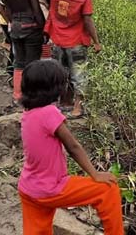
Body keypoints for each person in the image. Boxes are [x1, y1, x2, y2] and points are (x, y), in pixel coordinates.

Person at [18, 60, 124, 234]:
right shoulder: (49, 113)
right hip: (51, 188)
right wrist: (94, 174)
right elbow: (73, 146)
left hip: (28, 189)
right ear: (55, 88)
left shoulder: (28, 114)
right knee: (108, 189)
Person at [43, 0, 102, 119]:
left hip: (56, 41)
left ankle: (59, 103)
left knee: (59, 73)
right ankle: (77, 108)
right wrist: (96, 42)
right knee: (79, 74)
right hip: (76, 43)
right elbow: (88, 21)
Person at [0, 0, 46, 102]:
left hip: (15, 27)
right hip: (31, 28)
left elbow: (5, 8)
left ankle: (17, 94)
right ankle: (30, 95)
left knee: (19, 62)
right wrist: (43, 29)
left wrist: (12, 22)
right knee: (32, 63)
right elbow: (37, 12)